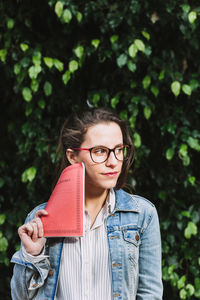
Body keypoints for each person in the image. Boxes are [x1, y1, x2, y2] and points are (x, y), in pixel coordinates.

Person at [11, 107, 163, 300]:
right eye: (100, 151)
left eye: (119, 150)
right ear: (72, 156)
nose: (113, 161)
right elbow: (21, 297)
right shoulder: (41, 219)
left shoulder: (142, 215)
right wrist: (33, 255)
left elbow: (150, 294)